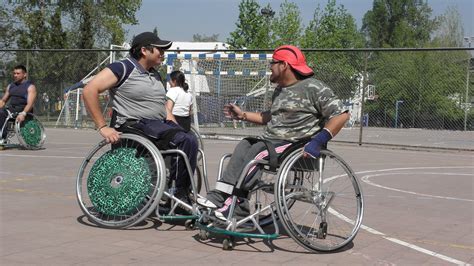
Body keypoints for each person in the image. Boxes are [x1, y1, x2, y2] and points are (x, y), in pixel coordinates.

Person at [197, 45, 350, 221]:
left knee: (258, 151)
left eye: (273, 63)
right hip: (273, 142)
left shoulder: (314, 87)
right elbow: (271, 117)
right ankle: (220, 195)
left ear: (284, 65)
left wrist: (317, 141)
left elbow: (341, 115)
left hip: (296, 144)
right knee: (245, 144)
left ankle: (238, 205)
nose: (270, 66)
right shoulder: (279, 90)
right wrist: (243, 115)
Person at [83, 32, 198, 205]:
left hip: (157, 125)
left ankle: (179, 191)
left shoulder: (155, 75)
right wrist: (102, 126)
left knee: (190, 139)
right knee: (184, 141)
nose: (162, 53)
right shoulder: (123, 68)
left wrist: (177, 127)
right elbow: (89, 90)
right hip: (134, 124)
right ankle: (177, 195)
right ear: (144, 50)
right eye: (159, 49)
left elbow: (162, 108)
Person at [0, 65, 38, 144]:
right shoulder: (11, 86)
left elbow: (30, 104)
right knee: (1, 112)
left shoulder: (30, 87)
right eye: (14, 73)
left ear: (25, 75)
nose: (15, 75)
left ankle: (2, 138)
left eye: (18, 73)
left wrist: (23, 113)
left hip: (23, 110)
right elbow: (3, 101)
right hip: (11, 110)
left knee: (2, 113)